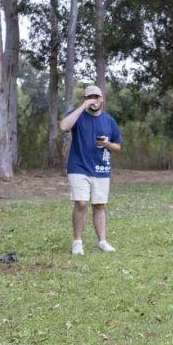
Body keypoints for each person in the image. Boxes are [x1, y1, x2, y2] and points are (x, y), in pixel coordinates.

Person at [59, 84, 122, 255]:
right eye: (89, 97)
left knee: (99, 205)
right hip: (78, 167)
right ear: (85, 99)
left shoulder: (109, 121)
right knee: (80, 203)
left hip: (101, 168)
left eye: (96, 97)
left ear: (102, 99)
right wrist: (82, 108)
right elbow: (64, 127)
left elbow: (118, 146)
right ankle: (77, 242)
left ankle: (102, 241)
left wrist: (107, 144)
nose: (94, 100)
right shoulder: (77, 116)